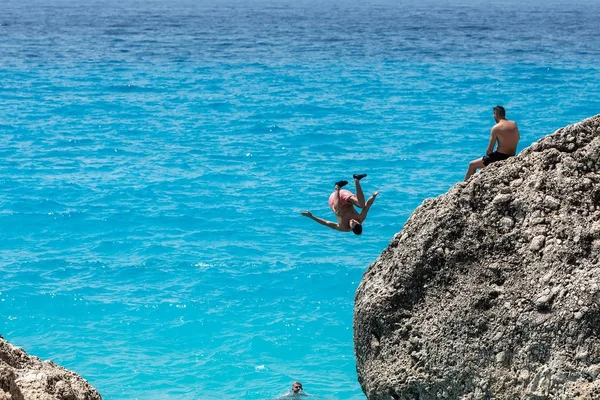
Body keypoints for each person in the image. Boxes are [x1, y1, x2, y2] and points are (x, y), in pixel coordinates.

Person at [301, 174, 379, 235]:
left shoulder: (342, 227)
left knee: (338, 212)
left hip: (334, 199)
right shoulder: (361, 218)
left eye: (352, 223)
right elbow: (367, 206)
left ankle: (337, 187)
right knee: (361, 205)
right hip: (345, 196)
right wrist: (373, 196)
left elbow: (326, 223)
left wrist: (311, 216)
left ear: (351, 228)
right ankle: (356, 180)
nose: (353, 220)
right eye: (356, 222)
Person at [464, 106, 520, 181]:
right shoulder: (514, 124)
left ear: (496, 115)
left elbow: (489, 151)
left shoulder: (496, 128)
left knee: (472, 165)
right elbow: (518, 138)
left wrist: (491, 153)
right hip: (512, 155)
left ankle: (464, 187)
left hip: (499, 157)